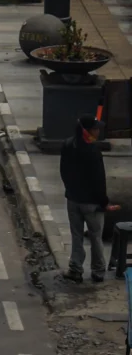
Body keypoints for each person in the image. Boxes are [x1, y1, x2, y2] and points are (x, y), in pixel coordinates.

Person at [60, 114, 118, 283]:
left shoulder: (68, 145)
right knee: (96, 237)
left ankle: (76, 269)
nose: (98, 131)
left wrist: (71, 190)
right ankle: (98, 271)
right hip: (92, 205)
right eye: (95, 128)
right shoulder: (93, 152)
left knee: (76, 235)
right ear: (87, 131)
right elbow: (99, 181)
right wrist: (104, 202)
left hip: (73, 200)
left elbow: (64, 172)